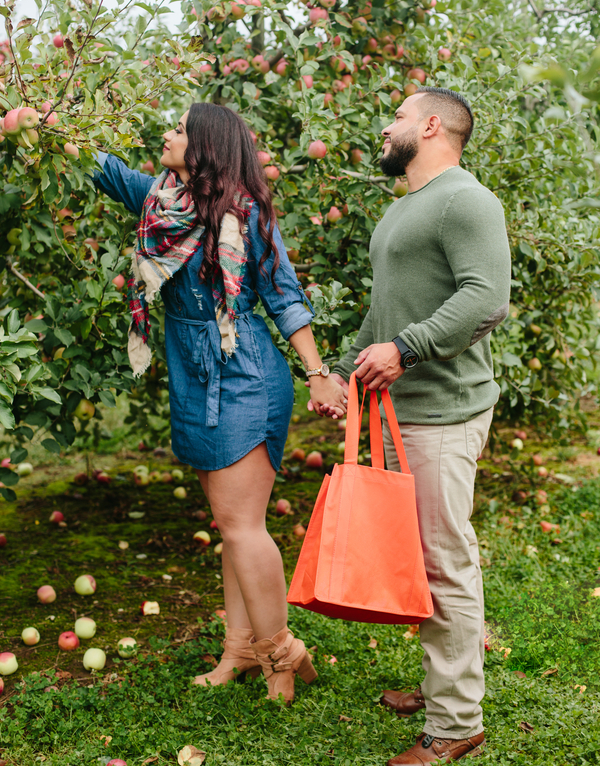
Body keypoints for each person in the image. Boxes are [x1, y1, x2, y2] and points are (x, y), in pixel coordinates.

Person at [93, 102, 347, 704]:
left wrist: (317, 372)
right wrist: (39, 127)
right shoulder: (161, 200)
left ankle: (282, 653)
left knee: (242, 526)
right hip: (194, 372)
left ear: (205, 145)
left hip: (243, 373)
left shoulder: (248, 214)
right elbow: (98, 169)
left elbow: (284, 295)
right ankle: (240, 647)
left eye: (179, 129)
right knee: (233, 527)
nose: (166, 134)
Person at [324, 88, 511, 764]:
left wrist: (407, 350)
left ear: (432, 125)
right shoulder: (405, 208)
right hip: (400, 414)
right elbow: (386, 312)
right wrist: (350, 374)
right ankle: (442, 687)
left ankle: (457, 722)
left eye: (397, 115)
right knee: (420, 560)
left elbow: (487, 297)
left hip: (444, 410)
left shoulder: (466, 200)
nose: (386, 124)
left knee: (443, 561)